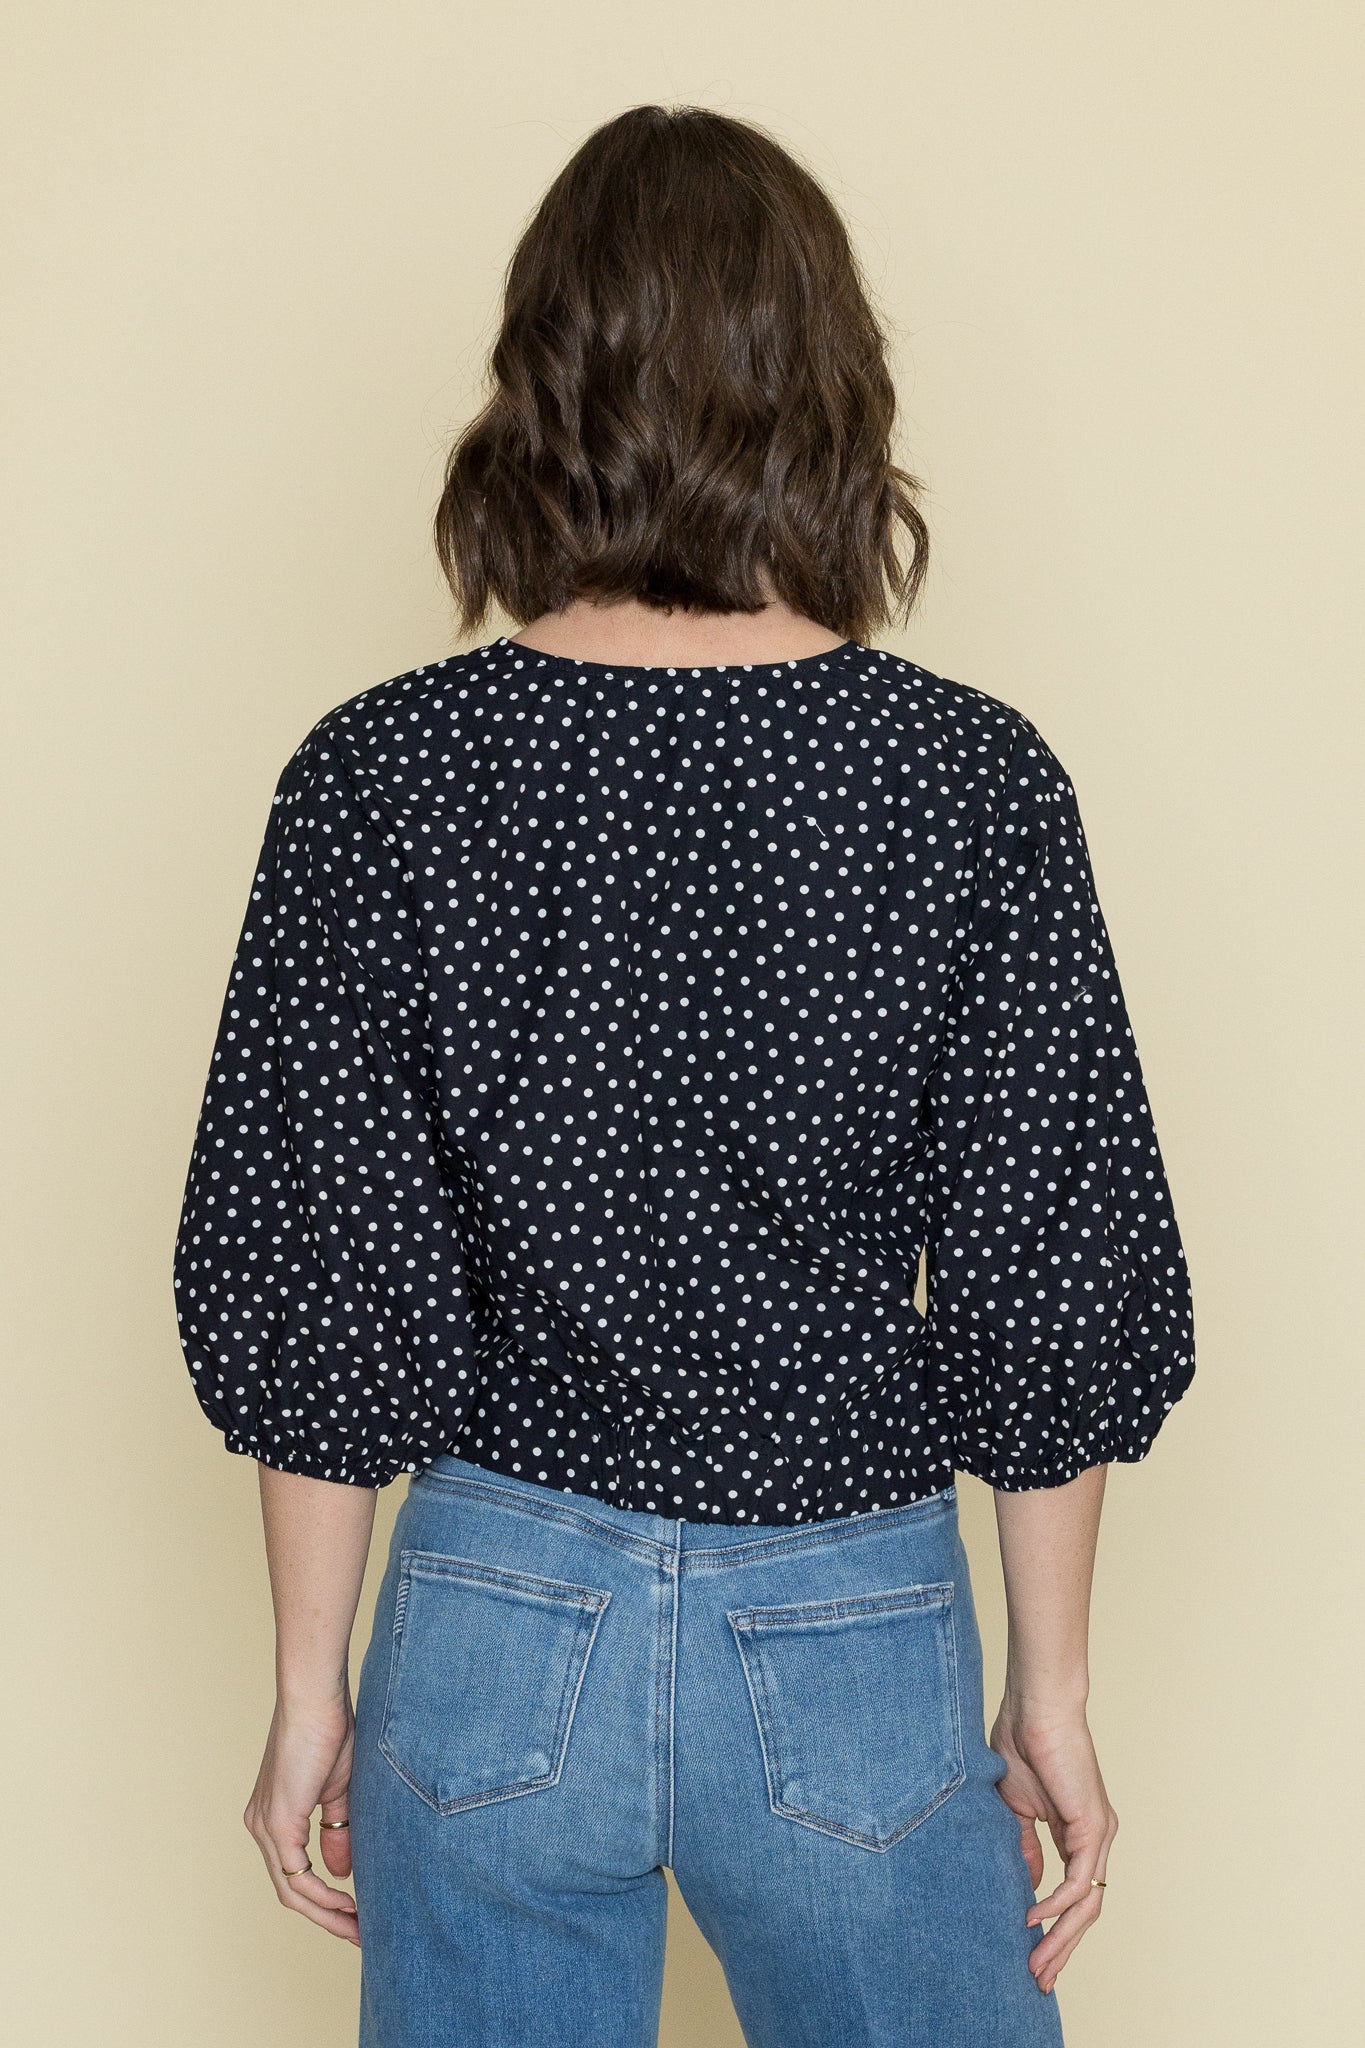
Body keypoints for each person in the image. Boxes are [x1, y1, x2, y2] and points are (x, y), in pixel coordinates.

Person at [172, 103, 1195, 2048]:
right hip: (849, 1611)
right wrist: (1050, 1685)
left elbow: (328, 1266)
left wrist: (309, 1686)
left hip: (488, 1611)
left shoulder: (380, 775)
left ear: (537, 390)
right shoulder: (964, 780)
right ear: (827, 392)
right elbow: (1042, 1264)